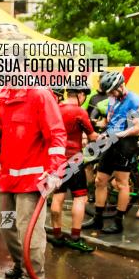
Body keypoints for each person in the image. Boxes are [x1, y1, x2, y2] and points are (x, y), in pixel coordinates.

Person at [0, 78, 67, 279]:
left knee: (29, 230)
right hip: (8, 177)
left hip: (33, 180)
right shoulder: (2, 96)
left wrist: (54, 170)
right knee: (7, 225)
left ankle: (34, 275)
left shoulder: (40, 95)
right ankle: (19, 264)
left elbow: (56, 135)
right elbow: (1, 129)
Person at [90, 71, 139, 235]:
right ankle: (97, 218)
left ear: (121, 85)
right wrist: (103, 130)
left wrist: (118, 134)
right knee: (100, 180)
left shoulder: (135, 100)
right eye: (109, 92)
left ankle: (118, 222)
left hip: (125, 144)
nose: (111, 94)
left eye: (113, 91)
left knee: (122, 183)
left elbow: (137, 128)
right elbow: (110, 119)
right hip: (110, 141)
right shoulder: (113, 99)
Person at [47, 85, 98, 252]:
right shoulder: (79, 111)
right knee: (79, 197)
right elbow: (92, 136)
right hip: (74, 158)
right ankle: (75, 237)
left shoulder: (55, 108)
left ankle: (57, 235)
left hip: (56, 158)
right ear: (81, 95)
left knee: (58, 195)